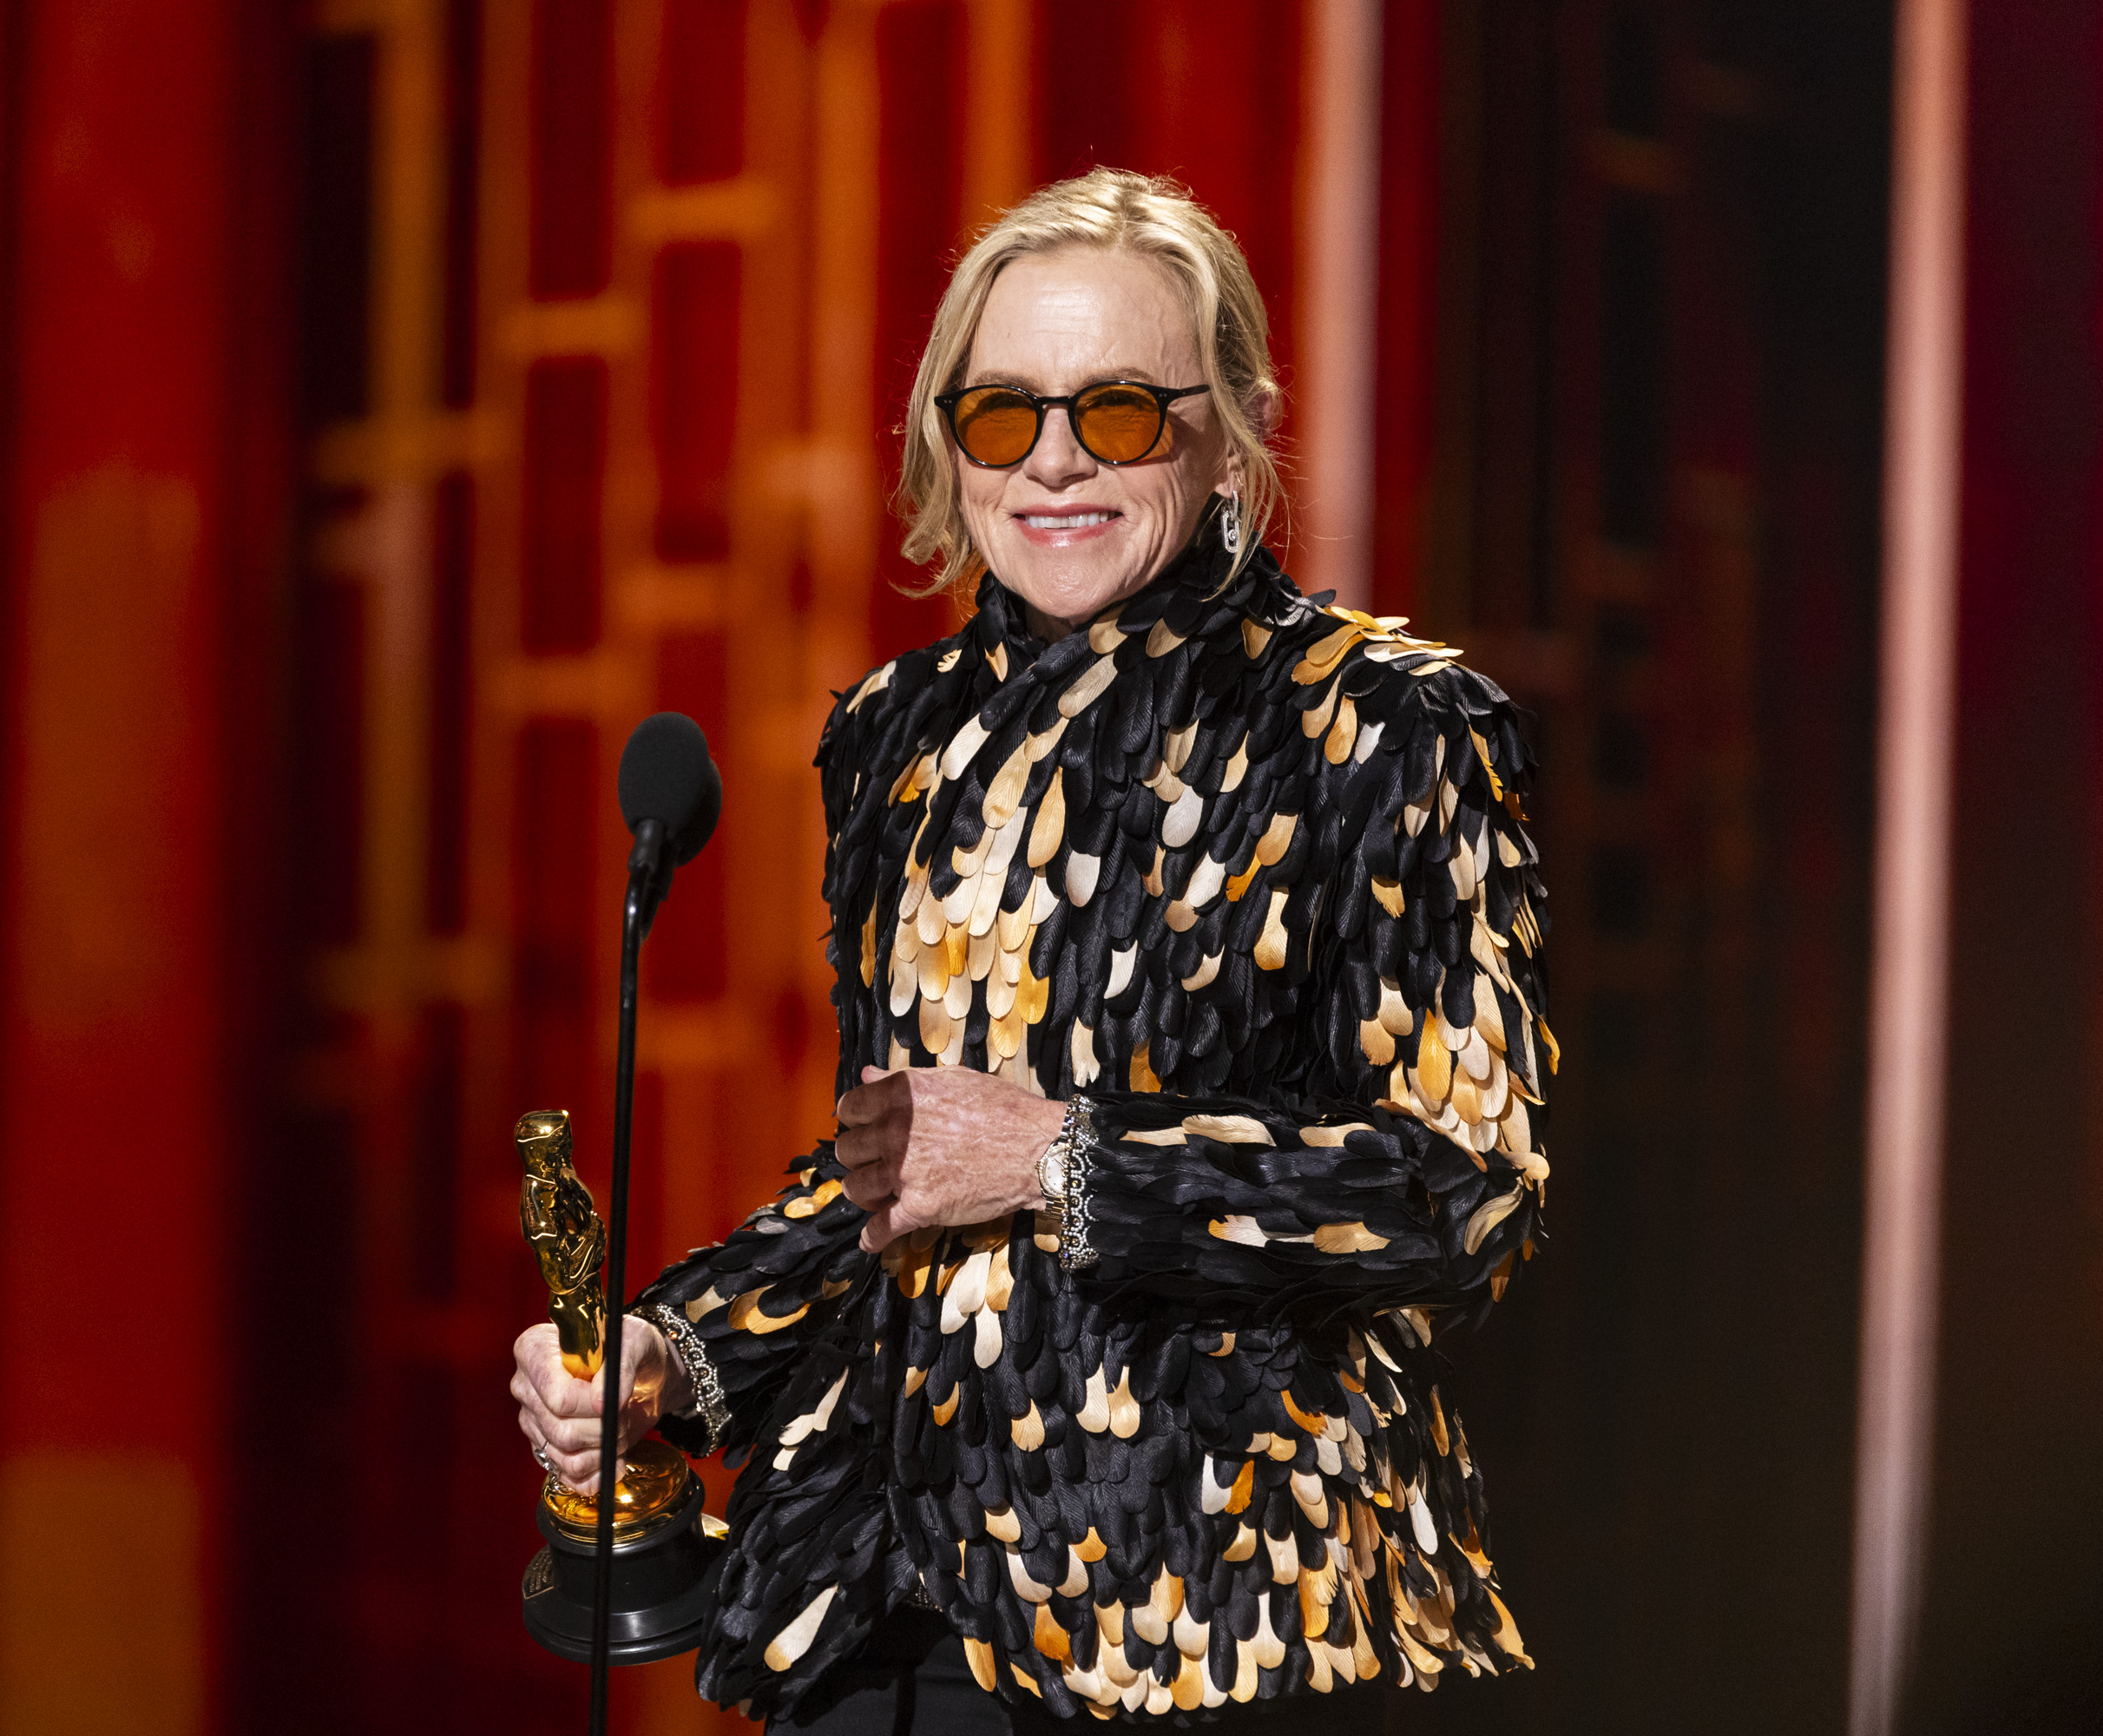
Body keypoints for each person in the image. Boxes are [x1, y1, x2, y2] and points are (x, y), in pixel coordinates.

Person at [512, 168, 1551, 1731]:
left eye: (1121, 412)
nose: (1054, 461)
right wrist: (669, 1350)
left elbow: (1463, 1190)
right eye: (1002, 417)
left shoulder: (1383, 729)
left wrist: (1070, 1158)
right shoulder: (897, 737)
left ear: (1229, 431)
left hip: (1228, 1615)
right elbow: (903, 1169)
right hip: (891, 1599)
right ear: (948, 441)